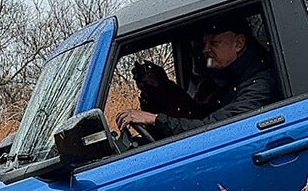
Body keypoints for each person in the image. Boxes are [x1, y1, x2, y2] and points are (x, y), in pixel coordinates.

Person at [116, 16, 280, 139]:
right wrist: (158, 88)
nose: (205, 51)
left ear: (238, 43)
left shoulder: (260, 85)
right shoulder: (227, 79)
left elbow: (210, 128)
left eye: (214, 43)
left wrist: (155, 119)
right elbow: (195, 114)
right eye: (204, 44)